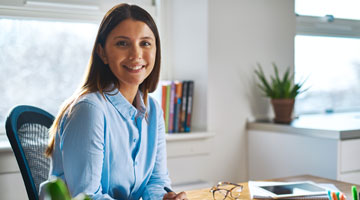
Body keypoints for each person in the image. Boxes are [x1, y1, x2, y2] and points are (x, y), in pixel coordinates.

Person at [40, 3, 188, 200]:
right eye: (122, 43)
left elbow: (156, 180)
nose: (136, 54)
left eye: (145, 43)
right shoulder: (90, 110)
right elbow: (87, 196)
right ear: (102, 52)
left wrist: (164, 197)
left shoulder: (152, 109)